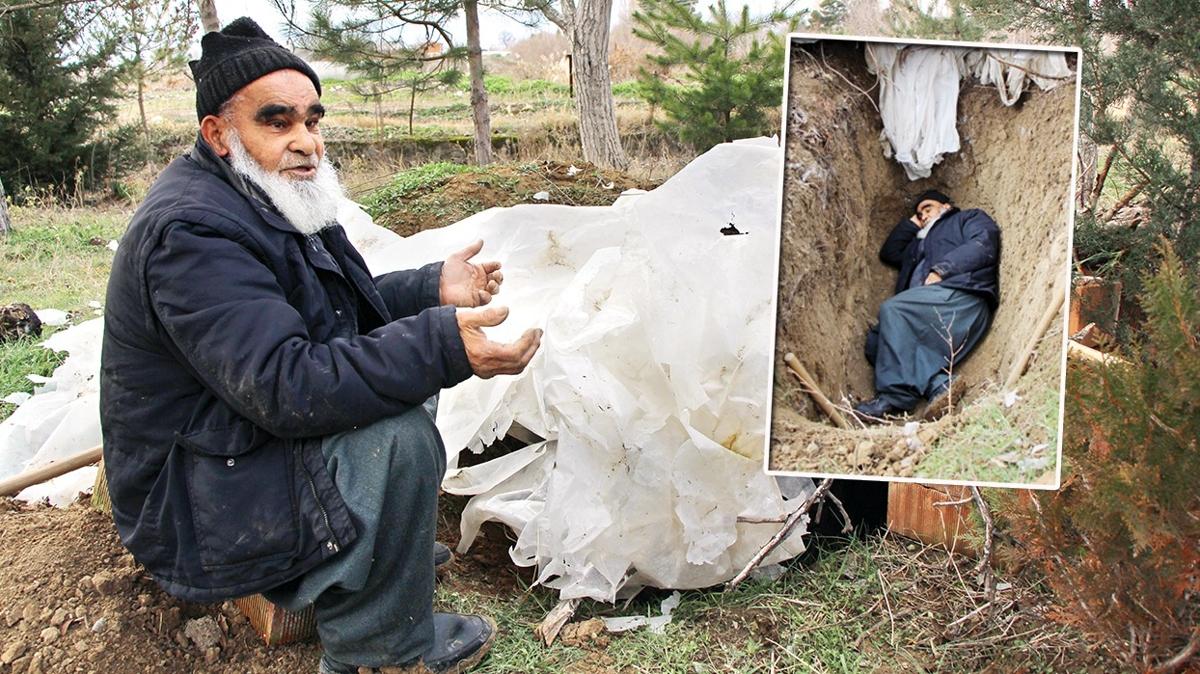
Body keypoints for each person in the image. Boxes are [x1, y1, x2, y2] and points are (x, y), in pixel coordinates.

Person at [99, 18, 542, 674]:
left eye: (312, 119)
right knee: (393, 434)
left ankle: (385, 557)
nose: (306, 141)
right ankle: (381, 651)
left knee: (400, 368)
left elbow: (332, 317)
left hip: (230, 445)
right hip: (197, 497)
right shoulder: (193, 236)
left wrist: (429, 290)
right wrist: (440, 348)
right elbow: (287, 384)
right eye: (277, 122)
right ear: (218, 135)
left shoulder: (273, 196)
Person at [854, 189, 1000, 423]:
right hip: (923, 314)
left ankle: (895, 398)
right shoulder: (916, 247)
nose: (922, 215)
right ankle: (940, 386)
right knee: (876, 343)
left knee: (893, 309)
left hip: (961, 299)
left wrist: (943, 269)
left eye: (928, 208)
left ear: (946, 207)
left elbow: (984, 243)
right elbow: (890, 253)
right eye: (919, 213)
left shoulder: (966, 218)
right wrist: (914, 224)